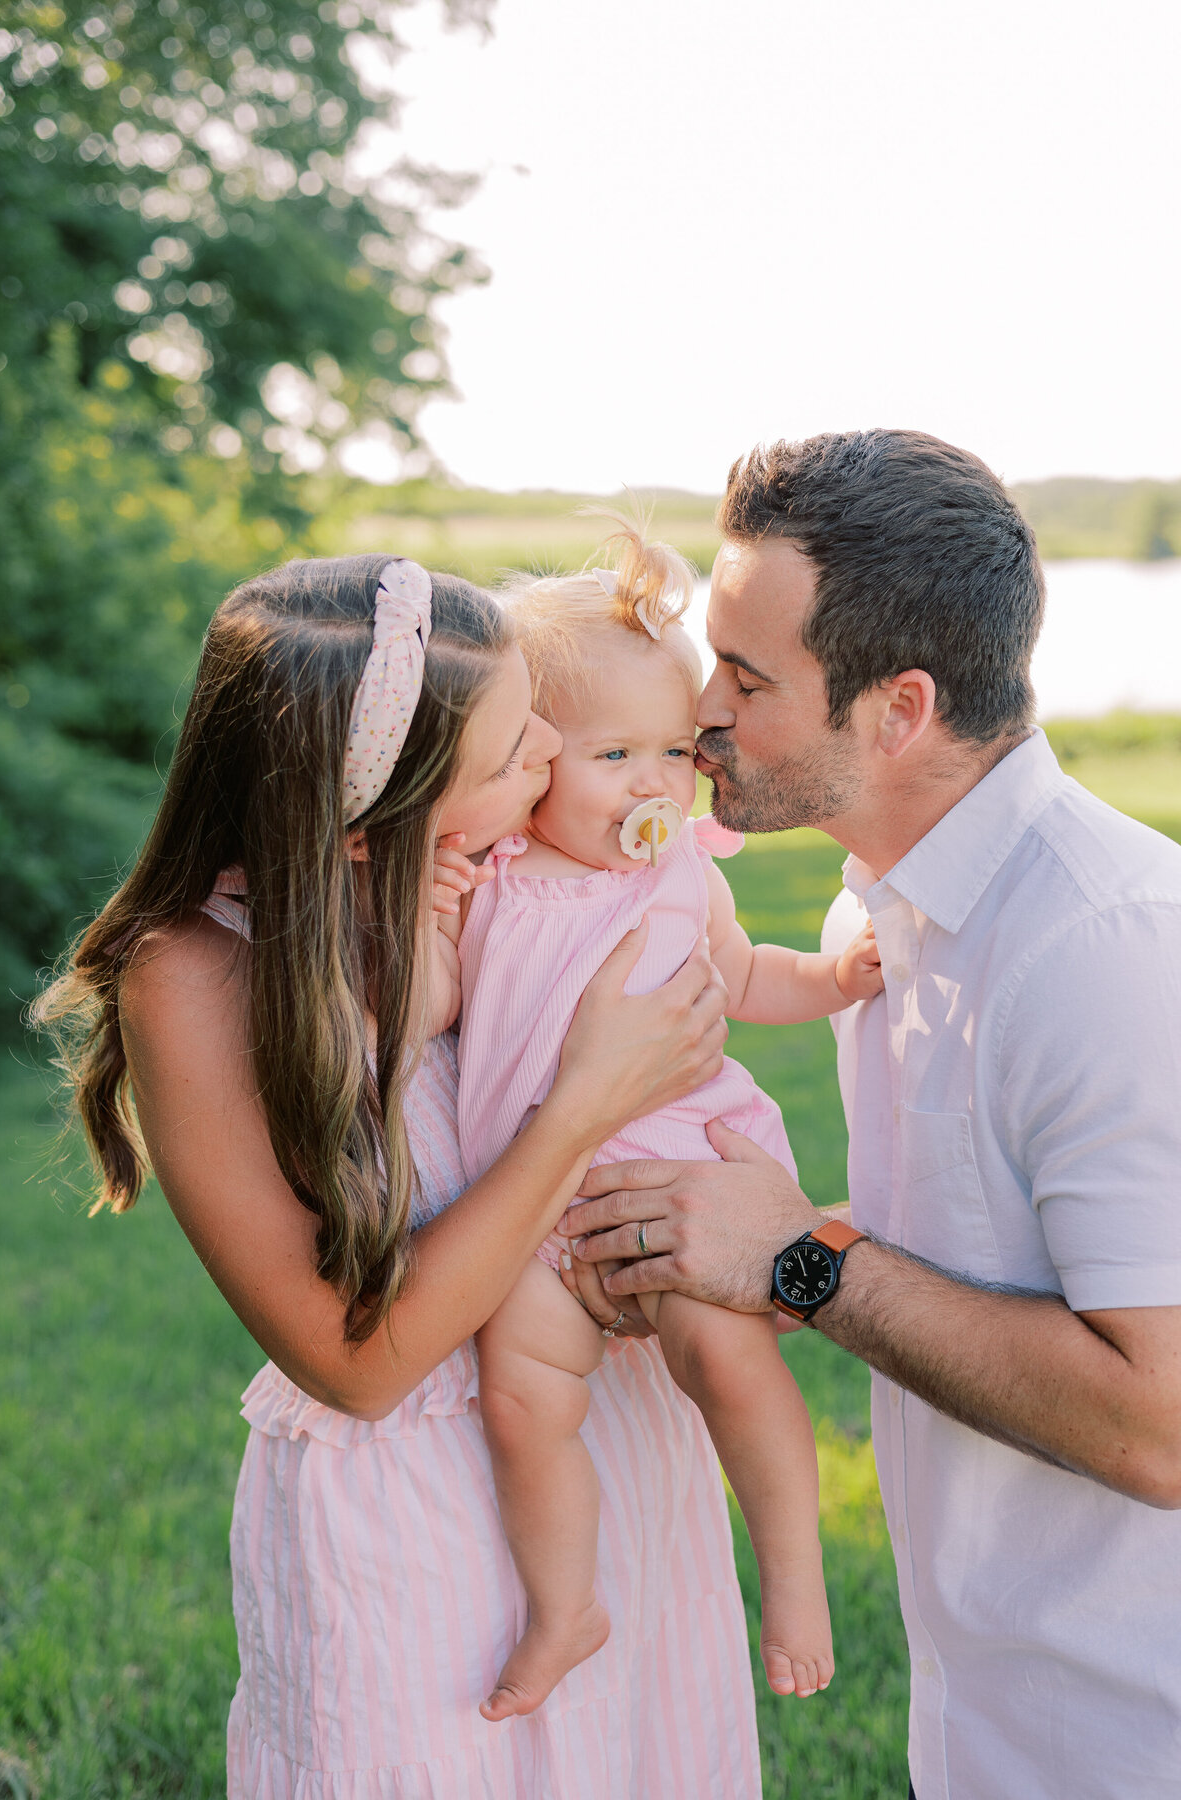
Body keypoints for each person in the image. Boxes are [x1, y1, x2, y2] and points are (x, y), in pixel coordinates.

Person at [37, 552, 763, 1798]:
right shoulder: (196, 973)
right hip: (419, 1498)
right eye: (506, 753)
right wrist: (587, 1103)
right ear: (375, 815)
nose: (552, 747)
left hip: (602, 1433)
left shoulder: (490, 884)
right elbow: (356, 1363)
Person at [564, 432, 1181, 1800]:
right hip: (993, 1719)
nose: (699, 705)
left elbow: (1164, 1426)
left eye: (748, 676)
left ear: (897, 710)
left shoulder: (1107, 950)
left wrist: (800, 1257)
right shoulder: (875, 918)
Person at [432, 520, 882, 1721]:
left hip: (677, 1183)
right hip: (538, 1212)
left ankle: (793, 1578)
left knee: (722, 1360)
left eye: (673, 752)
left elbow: (740, 978)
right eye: (612, 753)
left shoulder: (682, 872)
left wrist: (830, 982)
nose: (652, 784)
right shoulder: (489, 876)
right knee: (523, 1395)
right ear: (531, 764)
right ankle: (565, 1603)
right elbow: (431, 1008)